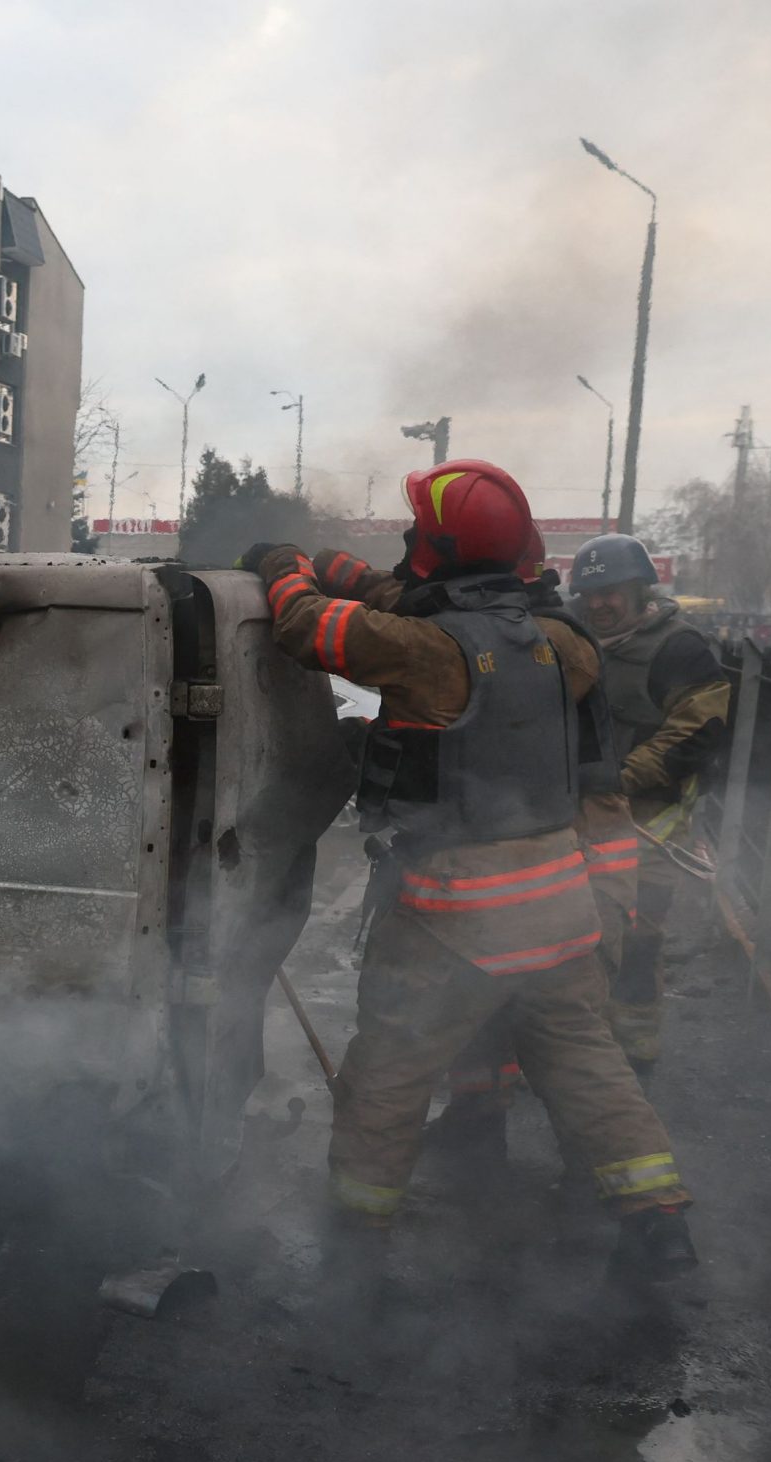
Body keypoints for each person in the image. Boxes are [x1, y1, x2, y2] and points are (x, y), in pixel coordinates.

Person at [249, 458, 696, 1279]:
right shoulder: (565, 641)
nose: (410, 542)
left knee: (387, 1074)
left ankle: (356, 1246)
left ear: (438, 548)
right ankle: (659, 1220)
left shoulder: (428, 653)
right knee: (587, 1065)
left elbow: (314, 628)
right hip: (560, 905)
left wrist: (283, 570)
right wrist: (340, 563)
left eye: (418, 533)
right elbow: (417, 603)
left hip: (454, 915)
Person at [567, 533, 731, 1068]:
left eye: (610, 592)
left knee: (637, 941)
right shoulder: (566, 637)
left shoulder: (679, 649)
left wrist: (616, 778)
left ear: (640, 590)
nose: (597, 604)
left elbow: (696, 730)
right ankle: (573, 1052)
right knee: (568, 939)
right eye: (588, 593)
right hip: (573, 822)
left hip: (648, 829)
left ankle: (634, 1053)